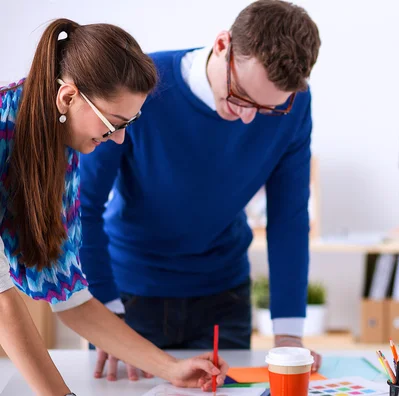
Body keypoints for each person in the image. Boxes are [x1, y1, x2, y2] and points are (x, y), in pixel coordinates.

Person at [79, 0, 323, 380]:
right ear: (223, 45)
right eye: (241, 96)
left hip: (224, 296)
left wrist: (289, 335)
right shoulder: (143, 85)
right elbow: (84, 205)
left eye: (266, 109)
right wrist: (106, 310)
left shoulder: (295, 105)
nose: (247, 118)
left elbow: (289, 218)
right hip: (128, 293)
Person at [0, 19, 228, 395]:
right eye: (113, 123)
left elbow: (71, 296)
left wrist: (170, 368)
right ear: (68, 98)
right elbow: (3, 301)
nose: (119, 139)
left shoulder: (61, 150)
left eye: (130, 123)